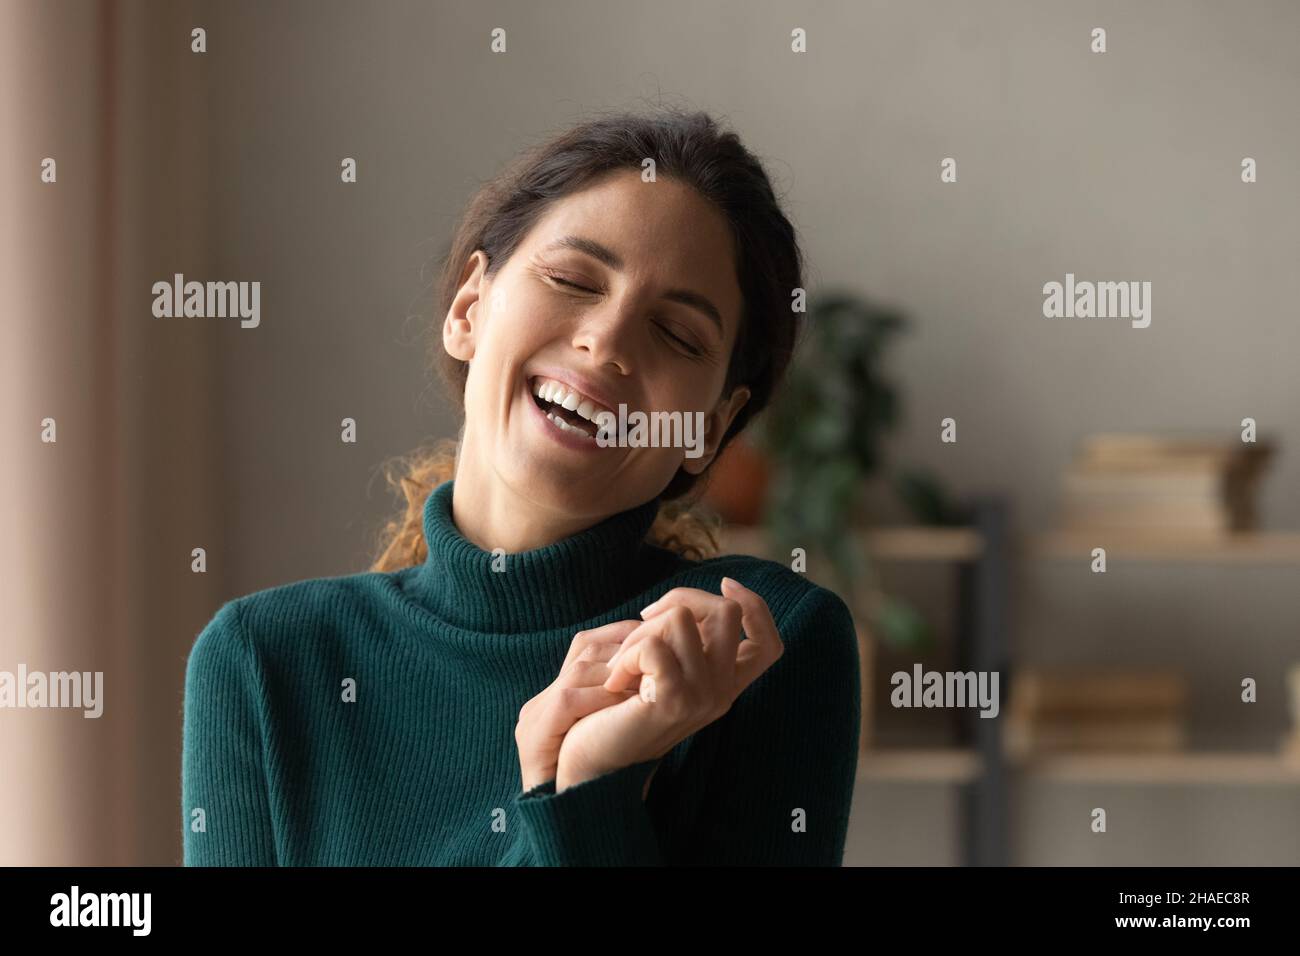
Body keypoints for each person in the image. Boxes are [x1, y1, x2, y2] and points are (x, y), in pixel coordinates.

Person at [181, 108, 861, 866]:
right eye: (572, 279)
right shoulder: (263, 661)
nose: (606, 342)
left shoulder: (761, 648)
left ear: (709, 428)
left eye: (677, 335)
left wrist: (588, 787)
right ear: (469, 308)